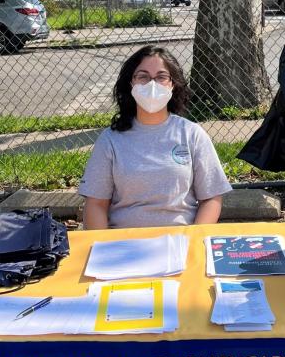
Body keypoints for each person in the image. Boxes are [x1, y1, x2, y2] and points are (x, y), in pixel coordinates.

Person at [79, 44, 232, 229]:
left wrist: (193, 239)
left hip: (180, 241)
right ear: (131, 83)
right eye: (143, 76)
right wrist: (102, 247)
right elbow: (96, 204)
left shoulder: (192, 134)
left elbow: (211, 198)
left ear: (173, 84)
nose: (152, 84)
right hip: (123, 244)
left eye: (161, 77)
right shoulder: (110, 140)